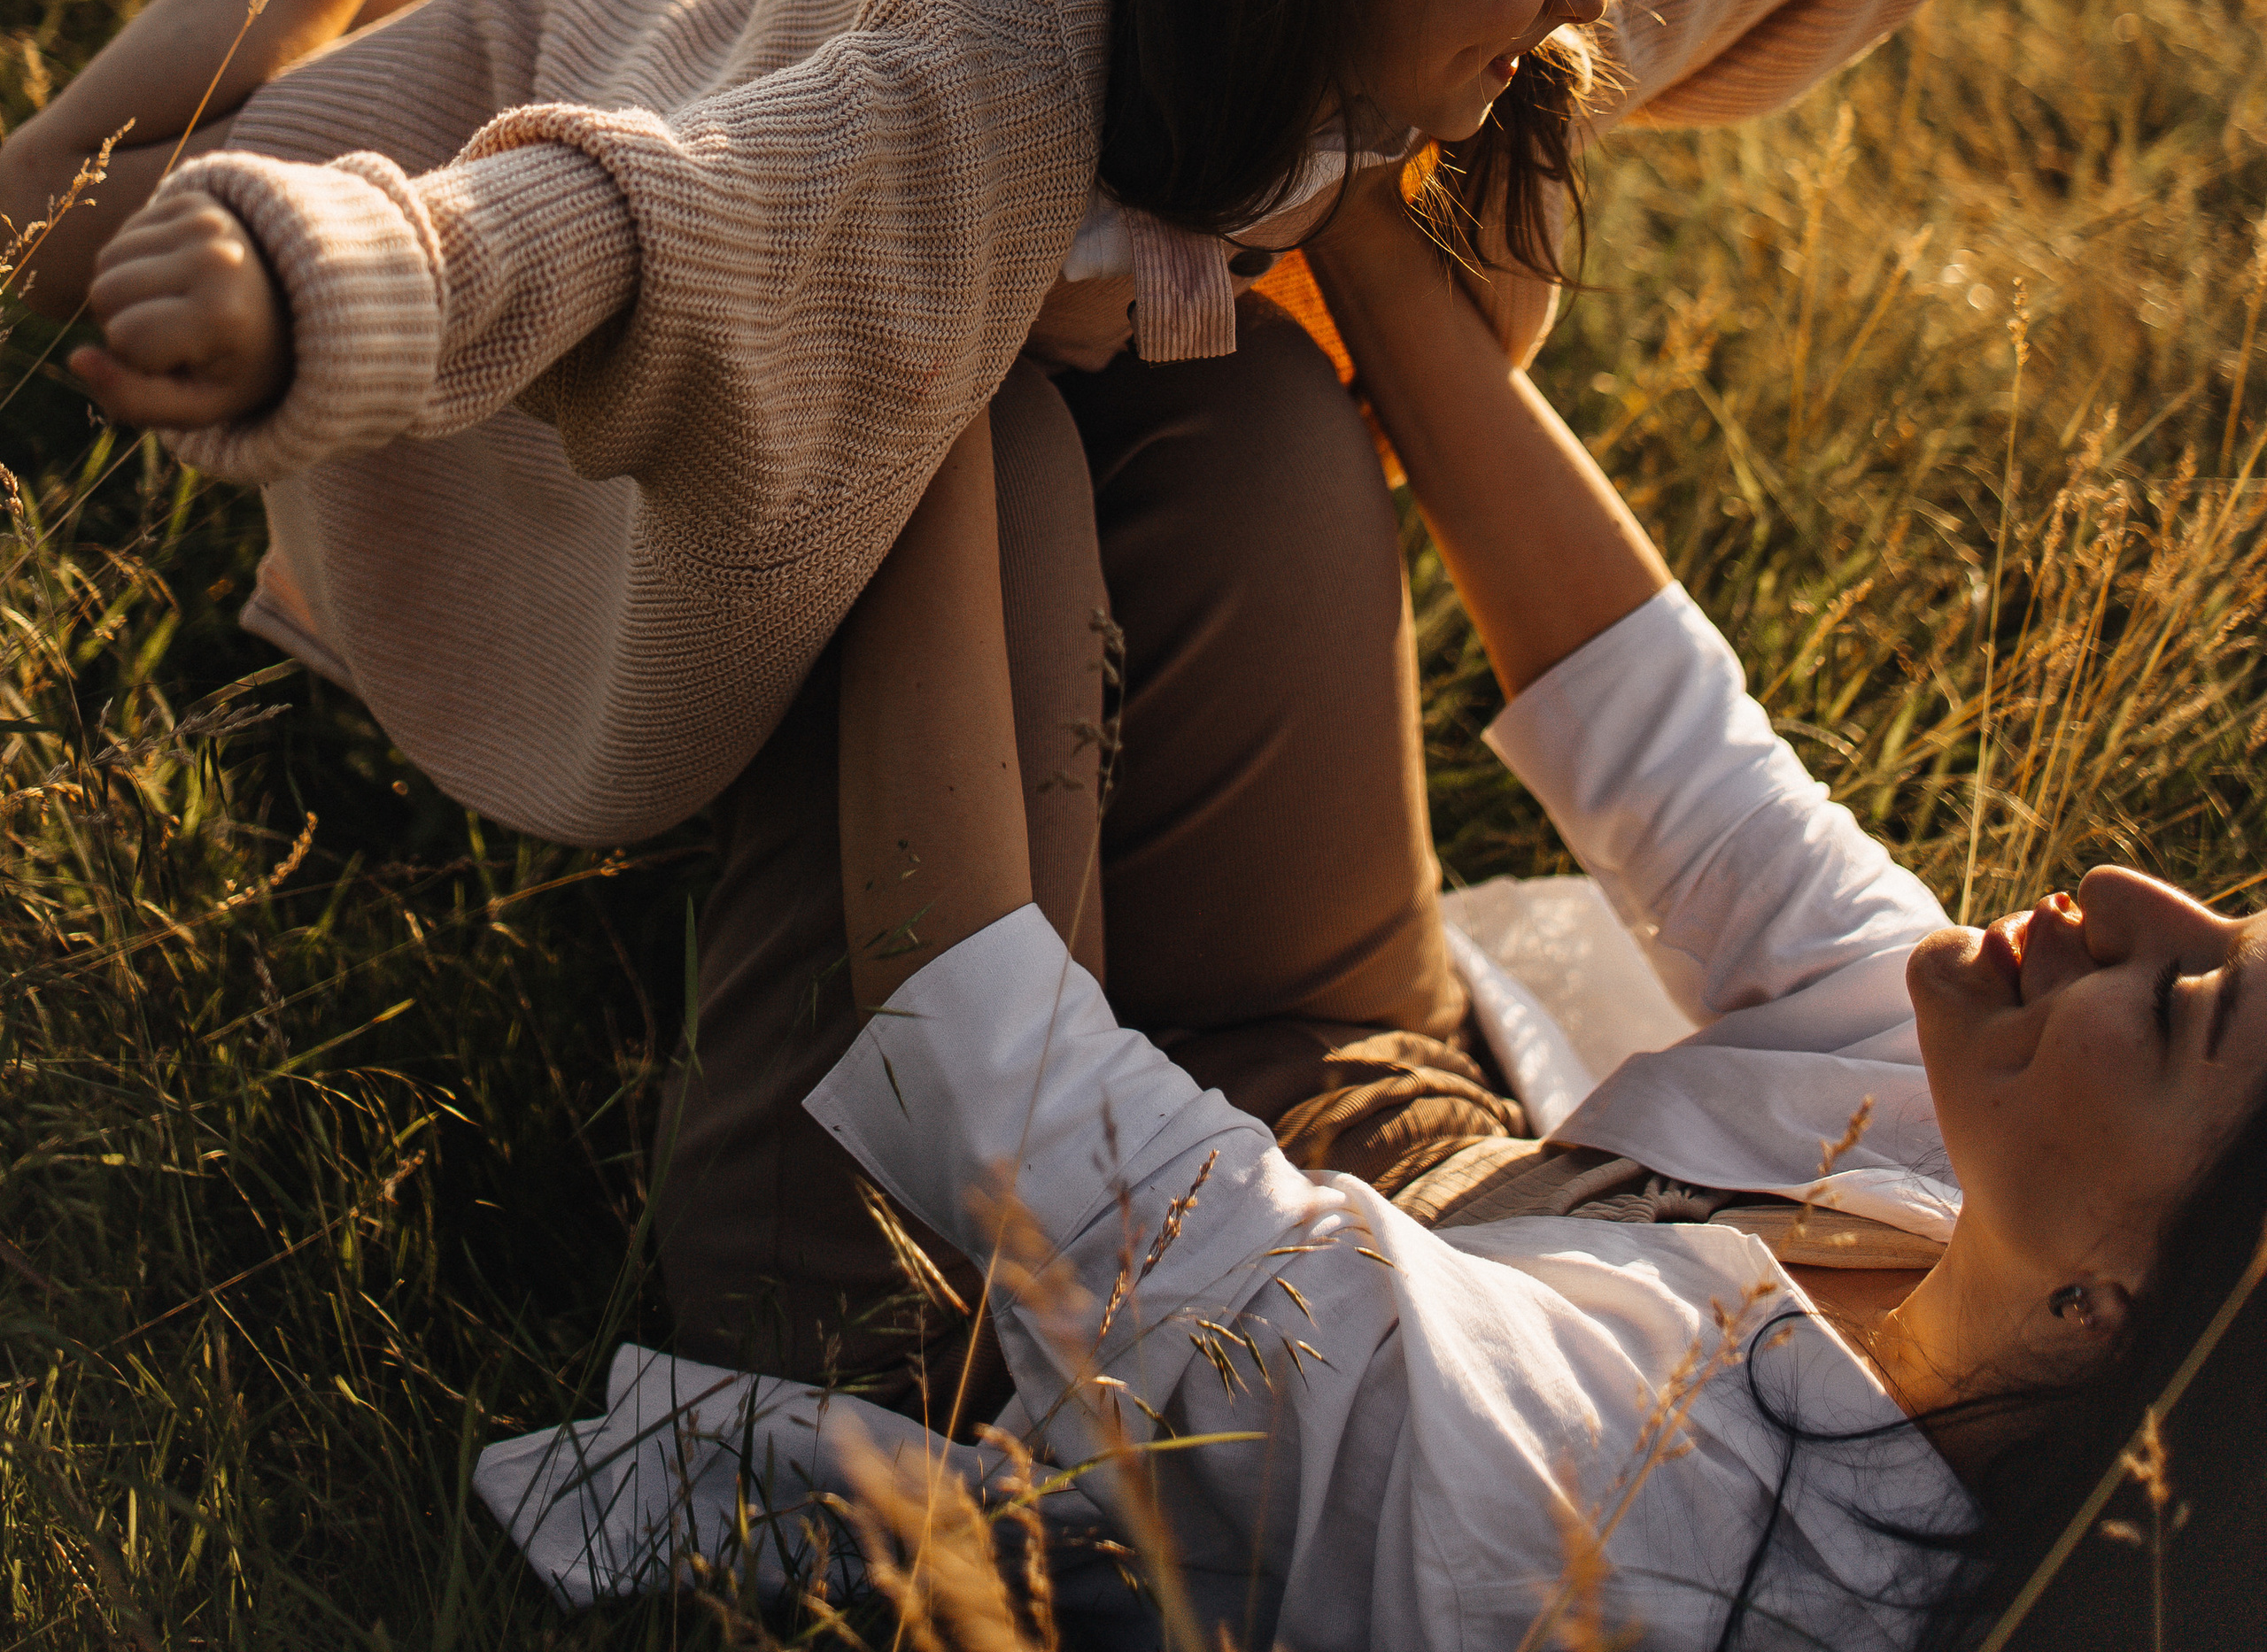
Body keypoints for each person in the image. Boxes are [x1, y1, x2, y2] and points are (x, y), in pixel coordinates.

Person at [0, 0, 2103, 1391]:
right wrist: (319, 286)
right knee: (76, 226)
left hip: (845, 73)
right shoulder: (980, 93)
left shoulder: (1413, 20)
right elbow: (640, 216)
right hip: (657, 89)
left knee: (1013, 301)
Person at [478, 278, 2267, 1648]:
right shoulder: (1985, 1167)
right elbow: (1677, 750)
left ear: (2130, 1320)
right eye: (2225, 915)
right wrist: (1355, 205)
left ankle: (497, 299)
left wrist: (950, 299)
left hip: (963, 1311)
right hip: (1352, 1104)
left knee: (991, 447)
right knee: (1239, 393)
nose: (2128, 893)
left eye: (2186, 1002)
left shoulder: (1613, 1534)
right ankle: (607, 39)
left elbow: (981, 1065)